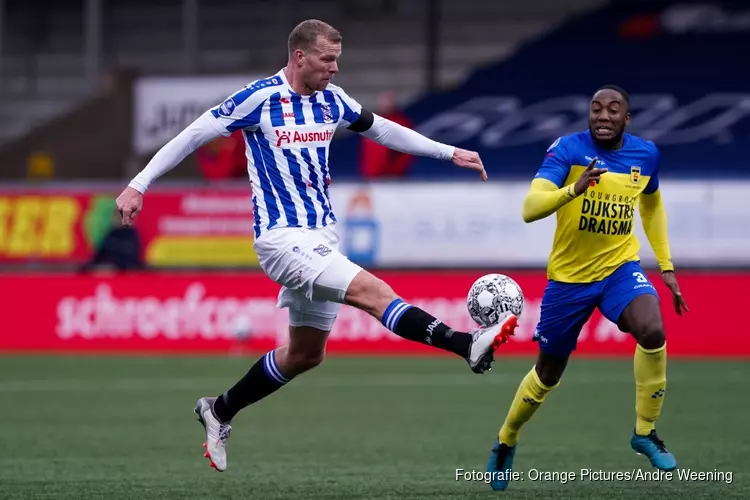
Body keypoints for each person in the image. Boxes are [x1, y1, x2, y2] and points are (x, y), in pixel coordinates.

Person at [115, 19, 519, 473]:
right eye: (327, 60)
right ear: (300, 57)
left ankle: (219, 410)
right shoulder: (259, 98)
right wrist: (139, 185)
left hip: (321, 235)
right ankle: (464, 343)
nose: (334, 68)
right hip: (281, 239)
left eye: (337, 60)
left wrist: (450, 152)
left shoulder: (333, 101)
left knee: (306, 354)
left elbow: (382, 130)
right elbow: (193, 134)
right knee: (372, 292)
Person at [485, 85, 689, 491]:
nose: (603, 115)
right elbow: (529, 208)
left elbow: (651, 203)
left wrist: (665, 266)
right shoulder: (568, 151)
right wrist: (572, 191)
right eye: (596, 108)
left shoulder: (645, 154)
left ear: (626, 119)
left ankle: (644, 432)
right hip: (568, 279)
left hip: (619, 268)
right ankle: (506, 439)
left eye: (614, 109)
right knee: (547, 372)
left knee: (653, 329)